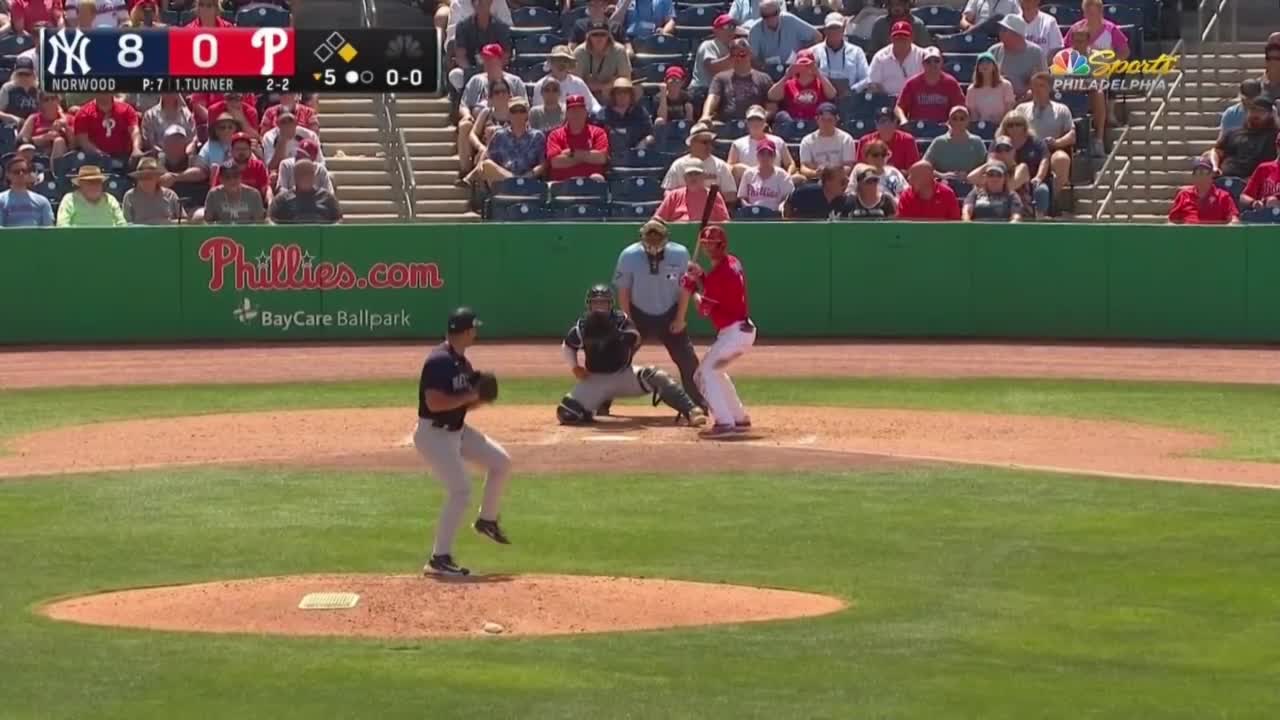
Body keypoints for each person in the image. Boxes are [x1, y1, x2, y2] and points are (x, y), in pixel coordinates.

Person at [414, 307, 513, 577]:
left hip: (456, 431)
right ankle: (439, 558)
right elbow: (434, 403)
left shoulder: (463, 363)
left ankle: (487, 520)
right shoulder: (438, 360)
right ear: (466, 331)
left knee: (501, 463)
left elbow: (462, 405)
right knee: (461, 490)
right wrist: (469, 397)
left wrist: (479, 398)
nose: (477, 333)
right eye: (475, 328)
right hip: (434, 435)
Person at [556, 284, 706, 426]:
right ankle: (593, 407)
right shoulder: (582, 327)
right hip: (595, 379)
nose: (600, 307)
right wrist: (575, 367)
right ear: (589, 305)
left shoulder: (621, 320)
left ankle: (691, 410)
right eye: (596, 303)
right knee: (567, 414)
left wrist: (618, 335)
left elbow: (635, 337)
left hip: (623, 376)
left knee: (657, 376)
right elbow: (568, 346)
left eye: (603, 303)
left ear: (610, 305)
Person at [613, 218, 709, 413]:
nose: (654, 242)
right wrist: (627, 321)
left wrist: (680, 318)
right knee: (616, 358)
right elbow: (623, 291)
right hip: (638, 313)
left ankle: (698, 403)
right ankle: (601, 402)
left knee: (688, 360)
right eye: (650, 238)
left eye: (658, 238)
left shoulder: (680, 254)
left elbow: (685, 288)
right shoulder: (629, 255)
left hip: (669, 312)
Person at [679, 225, 756, 437]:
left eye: (711, 244)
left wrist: (692, 288)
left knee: (703, 375)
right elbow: (716, 286)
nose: (708, 248)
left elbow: (704, 309)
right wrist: (701, 277)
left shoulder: (720, 275)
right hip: (742, 331)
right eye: (705, 244)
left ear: (721, 245)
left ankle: (724, 422)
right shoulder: (733, 262)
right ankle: (738, 417)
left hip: (734, 333)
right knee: (716, 371)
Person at [459, 44, 527, 176]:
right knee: (464, 125)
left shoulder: (515, 81)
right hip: (480, 125)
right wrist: (467, 115)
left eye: (491, 59)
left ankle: (475, 176)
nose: (487, 62)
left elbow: (524, 107)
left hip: (507, 125)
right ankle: (465, 171)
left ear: (501, 60)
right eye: (485, 59)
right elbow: (463, 105)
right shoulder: (475, 81)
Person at [1013, 72, 1073, 202]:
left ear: (1049, 88)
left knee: (1062, 159)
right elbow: (1010, 130)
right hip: (1027, 150)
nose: (1037, 89)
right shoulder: (1021, 109)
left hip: (1052, 149)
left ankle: (1052, 202)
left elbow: (1072, 135)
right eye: (1034, 86)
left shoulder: (1061, 109)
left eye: (1041, 86)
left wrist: (1057, 142)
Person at [463, 95, 546, 188]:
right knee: (487, 165)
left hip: (528, 183)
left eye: (522, 111)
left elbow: (542, 165)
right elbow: (487, 159)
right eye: (514, 111)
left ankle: (517, 182)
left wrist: (526, 177)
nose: (518, 114)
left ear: (527, 114)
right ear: (509, 114)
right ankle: (514, 182)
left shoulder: (537, 136)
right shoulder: (499, 136)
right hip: (504, 184)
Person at [702, 38, 773, 124]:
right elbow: (713, 97)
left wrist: (758, 121)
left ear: (750, 54)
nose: (738, 58)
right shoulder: (720, 78)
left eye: (742, 54)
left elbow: (771, 108)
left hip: (756, 125)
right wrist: (705, 115)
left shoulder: (764, 78)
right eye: (733, 55)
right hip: (727, 125)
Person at [449, 0, 512, 94]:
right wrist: (472, 72)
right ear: (473, 5)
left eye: (483, 1)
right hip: (471, 69)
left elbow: (506, 55)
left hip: (496, 69)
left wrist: (492, 69)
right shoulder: (462, 26)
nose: (480, 4)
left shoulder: (501, 27)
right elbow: (460, 56)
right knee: (455, 75)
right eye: (477, 2)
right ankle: (463, 98)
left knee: (509, 78)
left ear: (490, 3)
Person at [662, 122, 737, 200]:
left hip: (711, 209)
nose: (709, 146)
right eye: (704, 142)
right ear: (692, 143)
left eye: (710, 142)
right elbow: (668, 192)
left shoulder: (720, 166)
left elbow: (731, 195)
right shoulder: (678, 165)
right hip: (684, 208)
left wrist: (706, 198)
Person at [998, 112, 1052, 217]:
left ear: (1024, 125)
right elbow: (991, 161)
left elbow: (1045, 159)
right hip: (1006, 180)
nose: (1014, 128)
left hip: (1032, 182)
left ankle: (1040, 220)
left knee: (1042, 190)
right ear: (1005, 127)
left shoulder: (1036, 142)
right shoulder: (999, 143)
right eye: (1010, 125)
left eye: (1018, 124)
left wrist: (1039, 177)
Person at [1213, 96, 1279, 181]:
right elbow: (1216, 151)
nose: (1256, 114)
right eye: (1253, 110)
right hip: (1225, 180)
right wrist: (1215, 166)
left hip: (1257, 184)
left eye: (1261, 111)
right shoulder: (1233, 133)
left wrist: (1276, 118)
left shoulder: (1274, 136)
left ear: (1270, 114)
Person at [545, 94, 609, 182]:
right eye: (573, 111)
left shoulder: (598, 132)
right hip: (562, 183)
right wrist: (587, 157)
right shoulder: (555, 135)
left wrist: (571, 153)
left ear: (586, 113)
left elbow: (601, 158)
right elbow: (556, 162)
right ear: (566, 114)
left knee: (598, 178)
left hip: (591, 182)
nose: (576, 114)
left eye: (580, 110)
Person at [895, 47, 965, 124]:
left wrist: (951, 123)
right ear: (923, 64)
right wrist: (903, 120)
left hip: (943, 129)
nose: (933, 64)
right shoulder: (912, 84)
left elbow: (960, 107)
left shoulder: (951, 83)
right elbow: (899, 107)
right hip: (918, 128)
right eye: (928, 61)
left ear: (942, 62)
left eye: (936, 61)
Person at [987, 15, 1046, 102]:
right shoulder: (993, 51)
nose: (1000, 32)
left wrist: (1025, 98)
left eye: (1004, 30)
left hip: (1028, 102)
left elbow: (1043, 82)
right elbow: (982, 80)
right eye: (1001, 29)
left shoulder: (1035, 53)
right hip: (997, 101)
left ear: (1017, 34)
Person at [768, 51, 837, 125]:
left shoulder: (821, 82)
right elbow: (772, 96)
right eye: (801, 64)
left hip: (814, 124)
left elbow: (832, 95)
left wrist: (818, 73)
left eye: (808, 64)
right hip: (793, 123)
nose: (804, 67)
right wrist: (787, 76)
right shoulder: (789, 83)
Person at [810, 13, 870, 96]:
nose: (834, 32)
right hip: (821, 97)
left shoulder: (856, 51)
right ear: (825, 30)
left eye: (837, 28)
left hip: (850, 98)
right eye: (831, 28)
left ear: (843, 29)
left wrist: (852, 90)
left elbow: (866, 78)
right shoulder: (813, 52)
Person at [728, 104, 792, 179]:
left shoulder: (778, 141)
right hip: (748, 184)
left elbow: (790, 163)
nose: (755, 123)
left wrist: (787, 176)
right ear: (747, 123)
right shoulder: (737, 144)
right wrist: (744, 170)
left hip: (775, 182)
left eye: (759, 120)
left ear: (765, 122)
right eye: (751, 120)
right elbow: (730, 166)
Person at [1168, 157, 1240, 225]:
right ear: (1193, 176)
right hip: (1188, 235)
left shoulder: (1223, 196)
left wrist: (1233, 223)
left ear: (1212, 175)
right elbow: (1173, 221)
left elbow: (1234, 218)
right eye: (1198, 172)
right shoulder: (1184, 195)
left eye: (1205, 172)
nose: (1201, 176)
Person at [747, 0, 819, 67]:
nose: (770, 18)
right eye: (766, 16)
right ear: (760, 15)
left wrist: (802, 54)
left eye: (774, 14)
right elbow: (752, 59)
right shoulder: (755, 30)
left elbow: (817, 37)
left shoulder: (790, 20)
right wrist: (764, 67)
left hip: (794, 67)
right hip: (769, 70)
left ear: (779, 11)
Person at [796, 102, 856, 183]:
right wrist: (816, 173)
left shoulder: (846, 139)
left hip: (840, 181)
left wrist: (831, 174)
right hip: (816, 180)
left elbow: (848, 166)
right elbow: (804, 168)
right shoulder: (807, 141)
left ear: (836, 120)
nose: (826, 123)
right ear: (817, 119)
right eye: (823, 119)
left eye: (830, 120)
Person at [73, 93, 141, 164]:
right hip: (95, 160)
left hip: (125, 157)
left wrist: (136, 148)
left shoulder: (126, 109)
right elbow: (83, 141)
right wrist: (102, 156)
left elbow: (134, 130)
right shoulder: (83, 113)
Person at [268, 159, 342, 224]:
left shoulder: (328, 199)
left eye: (309, 173)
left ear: (314, 175)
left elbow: (338, 221)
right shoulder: (281, 201)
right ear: (295, 176)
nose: (306, 177)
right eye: (302, 173)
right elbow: (271, 221)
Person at [924, 105, 988, 179]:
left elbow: (986, 166)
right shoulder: (939, 142)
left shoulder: (977, 142)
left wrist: (969, 176)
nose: (958, 122)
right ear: (949, 121)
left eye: (962, 118)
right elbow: (924, 167)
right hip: (944, 185)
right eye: (954, 118)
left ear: (968, 121)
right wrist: (941, 175)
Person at [534, 45, 601, 116]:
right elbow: (538, 113)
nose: (561, 64)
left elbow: (592, 105)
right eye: (557, 60)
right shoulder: (541, 85)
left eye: (565, 61)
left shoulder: (578, 83)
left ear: (570, 64)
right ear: (551, 63)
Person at [654, 160, 731, 222]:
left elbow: (725, 221)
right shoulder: (674, 195)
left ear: (704, 176)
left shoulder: (713, 195)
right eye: (690, 174)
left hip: (706, 238)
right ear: (684, 177)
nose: (693, 177)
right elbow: (658, 220)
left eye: (697, 174)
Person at [866, 21, 927, 98]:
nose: (900, 40)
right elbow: (873, 83)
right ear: (891, 38)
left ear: (912, 38)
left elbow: (931, 82)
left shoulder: (923, 56)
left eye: (904, 37)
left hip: (916, 101)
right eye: (897, 37)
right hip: (887, 102)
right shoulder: (880, 57)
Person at [575, 22, 632, 101]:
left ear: (609, 36)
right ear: (588, 37)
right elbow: (575, 82)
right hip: (586, 95)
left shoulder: (619, 51)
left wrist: (601, 86)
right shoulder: (579, 52)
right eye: (595, 35)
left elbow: (625, 79)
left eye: (603, 34)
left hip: (612, 95)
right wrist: (607, 84)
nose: (599, 38)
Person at [158, 124, 209, 211]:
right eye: (172, 140)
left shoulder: (194, 159)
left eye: (179, 140)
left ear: (185, 143)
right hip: (165, 210)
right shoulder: (158, 160)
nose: (175, 144)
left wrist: (175, 177)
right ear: (163, 144)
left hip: (193, 207)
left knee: (200, 215)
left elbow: (201, 173)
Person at [56, 165, 127, 227]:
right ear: (80, 184)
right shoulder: (69, 199)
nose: (94, 185)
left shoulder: (110, 199)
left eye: (97, 182)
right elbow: (62, 227)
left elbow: (122, 225)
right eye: (89, 182)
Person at [211, 133, 271, 205]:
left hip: (253, 207)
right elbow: (216, 192)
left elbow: (266, 188)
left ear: (250, 150)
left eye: (244, 149)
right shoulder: (224, 168)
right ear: (231, 151)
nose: (241, 152)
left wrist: (270, 202)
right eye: (238, 149)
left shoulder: (258, 166)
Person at [736, 137, 794, 211]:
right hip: (753, 214)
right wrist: (749, 208)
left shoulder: (783, 176)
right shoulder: (748, 174)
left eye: (769, 154)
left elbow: (787, 199)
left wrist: (780, 209)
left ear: (774, 156)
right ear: (757, 155)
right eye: (762, 154)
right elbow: (742, 197)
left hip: (775, 215)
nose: (765, 157)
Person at [122, 156, 183, 225]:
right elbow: (126, 225)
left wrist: (166, 223)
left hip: (167, 234)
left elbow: (183, 221)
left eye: (149, 177)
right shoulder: (130, 196)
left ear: (157, 177)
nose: (146, 181)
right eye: (142, 177)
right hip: (140, 234)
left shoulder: (170, 195)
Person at [690, 14, 738, 102]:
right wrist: (732, 56)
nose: (730, 30)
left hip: (720, 91)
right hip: (702, 90)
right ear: (716, 30)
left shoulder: (732, 47)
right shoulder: (708, 45)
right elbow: (712, 68)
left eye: (733, 27)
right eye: (726, 26)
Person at [202, 161, 267, 225]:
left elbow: (259, 223)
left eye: (235, 176)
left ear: (241, 177)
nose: (232, 180)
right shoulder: (213, 194)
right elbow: (208, 222)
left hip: (248, 232)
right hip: (221, 233)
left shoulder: (253, 195)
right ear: (220, 179)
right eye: (227, 177)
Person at [597, 78, 654, 149]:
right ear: (613, 95)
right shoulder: (603, 113)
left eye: (625, 92)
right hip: (610, 155)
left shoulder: (640, 112)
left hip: (635, 155)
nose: (622, 95)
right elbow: (596, 135)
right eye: (619, 92)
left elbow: (650, 134)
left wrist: (642, 144)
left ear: (631, 95)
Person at [856, 106, 920, 170]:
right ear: (876, 124)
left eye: (890, 122)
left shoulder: (907, 140)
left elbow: (913, 170)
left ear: (895, 123)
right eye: (882, 122)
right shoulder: (865, 141)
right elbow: (859, 169)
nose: (886, 125)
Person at [896, 159, 961, 219]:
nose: (909, 181)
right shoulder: (906, 196)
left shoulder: (947, 194)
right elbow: (902, 225)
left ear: (928, 178)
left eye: (914, 177)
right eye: (909, 177)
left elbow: (955, 224)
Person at [0, 155, 54, 227]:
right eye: (16, 172)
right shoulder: (1, 200)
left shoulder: (42, 201)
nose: (21, 174)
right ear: (8, 175)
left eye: (24, 171)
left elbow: (49, 229)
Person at [785, 165, 854, 218]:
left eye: (847, 181)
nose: (846, 185)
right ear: (828, 182)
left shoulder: (846, 202)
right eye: (842, 182)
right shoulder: (805, 193)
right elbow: (789, 203)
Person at [966, 52, 1016, 124]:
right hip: (981, 126)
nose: (985, 65)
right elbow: (973, 114)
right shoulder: (971, 89)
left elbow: (1009, 109)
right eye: (981, 63)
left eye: (988, 62)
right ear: (978, 68)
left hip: (1002, 125)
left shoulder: (1006, 85)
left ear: (994, 67)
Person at [19, 92, 70, 161]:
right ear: (40, 104)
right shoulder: (34, 118)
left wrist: (66, 126)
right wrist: (44, 138)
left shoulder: (69, 118)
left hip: (65, 156)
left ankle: (56, 170)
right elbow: (21, 140)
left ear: (58, 100)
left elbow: (75, 145)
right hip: (38, 156)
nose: (50, 102)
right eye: (46, 100)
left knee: (59, 141)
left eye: (53, 98)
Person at [1240, 137, 1280, 210]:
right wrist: (1254, 203)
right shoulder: (1263, 168)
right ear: (1276, 146)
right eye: (1279, 144)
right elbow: (1244, 197)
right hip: (1265, 216)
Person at [0, 56, 39, 128]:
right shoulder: (8, 89)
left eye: (27, 74)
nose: (23, 77)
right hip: (12, 127)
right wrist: (12, 118)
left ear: (33, 74)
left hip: (35, 127)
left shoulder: (38, 89)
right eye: (20, 74)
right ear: (15, 74)